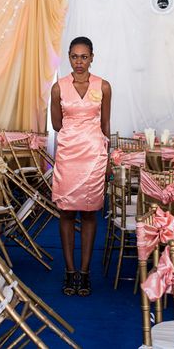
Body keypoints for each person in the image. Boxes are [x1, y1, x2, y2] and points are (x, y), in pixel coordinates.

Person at [50, 36, 111, 297]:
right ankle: (69, 270)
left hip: (94, 156)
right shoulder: (58, 88)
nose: (79, 62)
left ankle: (84, 272)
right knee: (66, 212)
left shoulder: (104, 86)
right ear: (69, 57)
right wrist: (75, 134)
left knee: (89, 214)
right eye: (74, 56)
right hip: (68, 156)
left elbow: (105, 125)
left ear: (92, 58)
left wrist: (108, 159)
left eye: (84, 57)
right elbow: (56, 124)